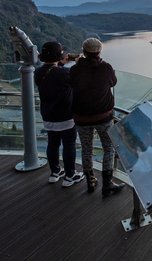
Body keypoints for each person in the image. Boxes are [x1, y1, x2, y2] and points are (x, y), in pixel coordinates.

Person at [70, 38, 124, 196]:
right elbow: (113, 82)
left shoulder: (74, 70)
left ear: (84, 52)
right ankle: (107, 183)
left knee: (86, 149)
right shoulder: (105, 67)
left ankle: (90, 180)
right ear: (100, 52)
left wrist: (78, 63)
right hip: (103, 118)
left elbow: (72, 82)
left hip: (81, 118)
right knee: (108, 148)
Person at [35, 41, 84, 187]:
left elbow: (52, 74)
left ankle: (55, 172)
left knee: (53, 143)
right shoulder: (64, 73)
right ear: (59, 55)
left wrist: (61, 63)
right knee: (69, 145)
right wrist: (78, 65)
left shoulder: (38, 72)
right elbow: (79, 82)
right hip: (65, 116)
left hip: (48, 115)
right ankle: (70, 176)